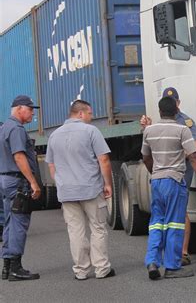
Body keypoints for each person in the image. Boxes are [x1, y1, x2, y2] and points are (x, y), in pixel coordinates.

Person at [142, 96, 196, 280]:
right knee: (175, 223)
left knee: (157, 222)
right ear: (176, 111)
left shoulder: (148, 131)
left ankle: (152, 261)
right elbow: (194, 158)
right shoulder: (182, 130)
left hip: (157, 182)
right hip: (174, 181)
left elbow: (146, 157)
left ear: (159, 112)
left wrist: (155, 172)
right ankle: (173, 267)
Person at [45, 100, 115, 280]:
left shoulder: (54, 135)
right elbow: (104, 160)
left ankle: (81, 270)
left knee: (75, 231)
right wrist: (107, 184)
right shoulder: (91, 131)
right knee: (98, 228)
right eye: (90, 114)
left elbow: (51, 166)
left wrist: (61, 182)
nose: (91, 117)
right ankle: (101, 269)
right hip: (90, 188)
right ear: (81, 113)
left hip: (67, 192)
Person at [0, 95, 41, 281]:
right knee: (18, 224)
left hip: (7, 180)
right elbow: (19, 156)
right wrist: (32, 182)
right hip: (17, 181)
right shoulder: (16, 128)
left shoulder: (5, 127)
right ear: (18, 109)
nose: (33, 112)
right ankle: (15, 268)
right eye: (30, 108)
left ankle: (7, 267)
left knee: (9, 222)